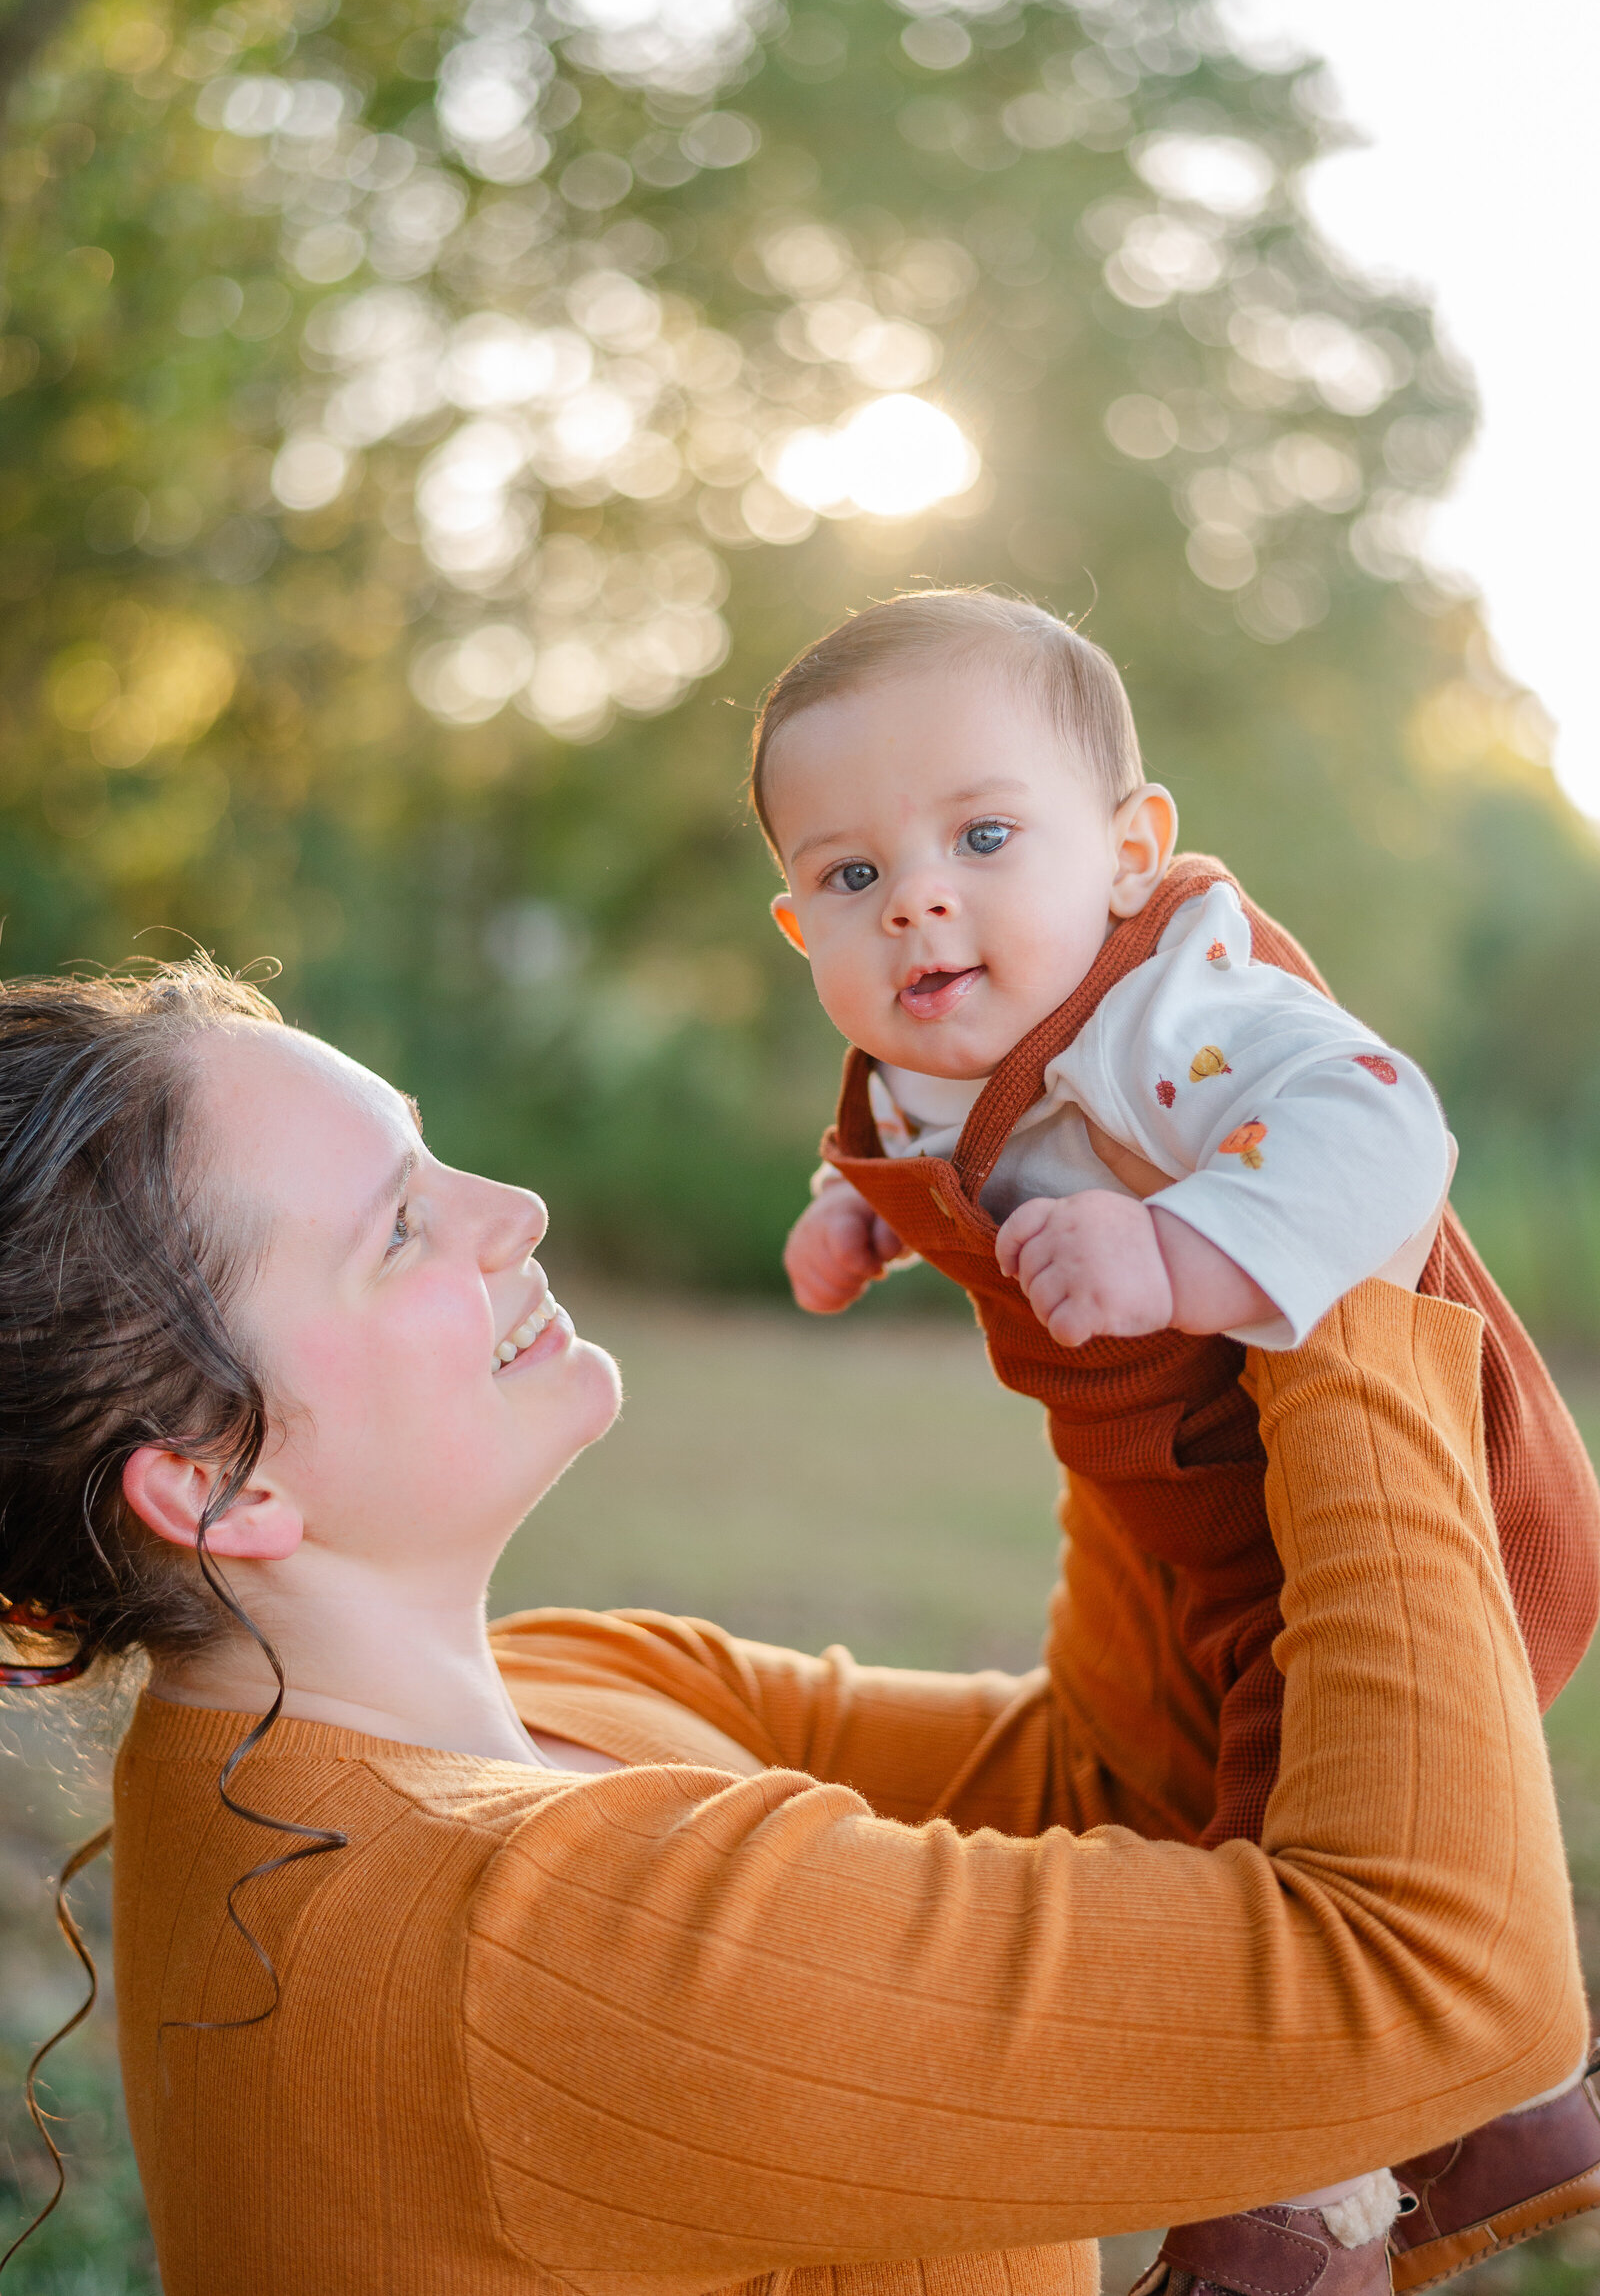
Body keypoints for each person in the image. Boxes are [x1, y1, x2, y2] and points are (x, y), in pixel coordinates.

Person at [0, 961, 1590, 2296]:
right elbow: (1449, 1988)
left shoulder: (550, 1694)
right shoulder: (540, 1943)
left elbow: (1131, 1780)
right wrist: (1320, 1286)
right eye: (400, 1228)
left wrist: (1115, 1233)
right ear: (213, 1487)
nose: (514, 1207)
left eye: (431, 1156)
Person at [757, 588, 1600, 2283]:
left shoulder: (1176, 1008)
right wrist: (861, 1219)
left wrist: (1178, 1246)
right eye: (852, 877)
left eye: (985, 834)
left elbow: (1384, 1121)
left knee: (1291, 1866)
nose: (917, 895)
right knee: (1218, 1790)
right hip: (1216, 1537)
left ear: (1132, 849)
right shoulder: (933, 1045)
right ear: (802, 929)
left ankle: (1291, 2212)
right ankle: (1499, 2113)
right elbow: (931, 1139)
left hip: (1420, 1501)